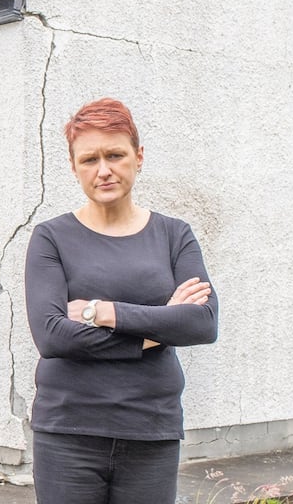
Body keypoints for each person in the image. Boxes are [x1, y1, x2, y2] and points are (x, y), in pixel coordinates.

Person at [24, 97, 219, 504]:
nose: (104, 170)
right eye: (89, 160)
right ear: (73, 166)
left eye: (115, 155)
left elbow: (201, 324)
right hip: (68, 432)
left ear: (138, 156)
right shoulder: (51, 237)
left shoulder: (173, 235)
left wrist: (102, 312)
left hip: (150, 428)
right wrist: (158, 328)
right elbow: (53, 337)